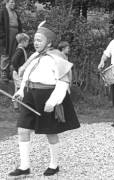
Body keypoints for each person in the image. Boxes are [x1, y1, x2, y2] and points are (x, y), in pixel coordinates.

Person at [8, 22, 80, 177]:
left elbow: (63, 83)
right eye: (35, 39)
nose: (35, 43)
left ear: (49, 42)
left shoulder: (57, 58)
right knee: (22, 129)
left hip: (47, 97)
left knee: (50, 132)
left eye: (39, 40)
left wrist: (52, 102)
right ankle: (24, 166)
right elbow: (26, 78)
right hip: (29, 96)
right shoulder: (34, 57)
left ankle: (54, 165)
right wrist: (20, 91)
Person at [0, 0, 22, 82]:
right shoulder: (2, 11)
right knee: (5, 54)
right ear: (7, 2)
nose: (14, 4)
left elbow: (19, 24)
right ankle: (3, 74)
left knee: (13, 53)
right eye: (11, 2)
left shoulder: (15, 12)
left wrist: (20, 34)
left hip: (15, 34)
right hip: (7, 34)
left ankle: (10, 73)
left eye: (14, 2)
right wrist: (2, 35)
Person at [11, 32, 29, 110]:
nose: (28, 43)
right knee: (21, 88)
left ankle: (16, 106)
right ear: (23, 41)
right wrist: (18, 69)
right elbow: (14, 60)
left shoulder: (21, 49)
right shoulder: (20, 50)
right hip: (18, 73)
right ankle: (22, 106)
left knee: (18, 88)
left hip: (18, 73)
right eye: (27, 41)